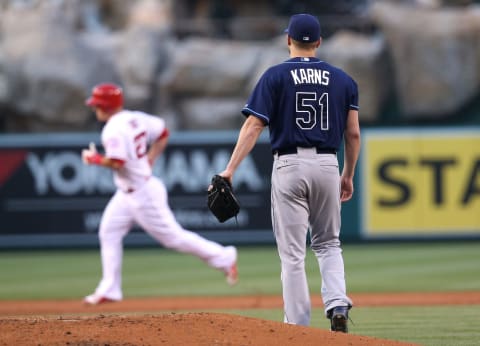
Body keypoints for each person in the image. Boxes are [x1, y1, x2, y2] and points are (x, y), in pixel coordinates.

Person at [217, 14, 360, 332]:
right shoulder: (344, 80)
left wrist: (230, 169)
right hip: (327, 164)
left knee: (293, 253)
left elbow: (254, 125)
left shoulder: (275, 76)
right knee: (328, 243)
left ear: (288, 40)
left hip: (290, 164)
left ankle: (297, 327)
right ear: (319, 43)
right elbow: (353, 135)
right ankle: (337, 303)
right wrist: (348, 174)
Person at [82, 82, 238, 305]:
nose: (94, 108)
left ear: (104, 106)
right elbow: (163, 131)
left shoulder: (112, 129)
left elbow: (117, 162)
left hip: (143, 193)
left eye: (96, 105)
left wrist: (94, 159)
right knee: (109, 231)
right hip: (127, 193)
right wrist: (151, 158)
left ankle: (224, 257)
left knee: (174, 238)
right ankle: (110, 288)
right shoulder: (134, 117)